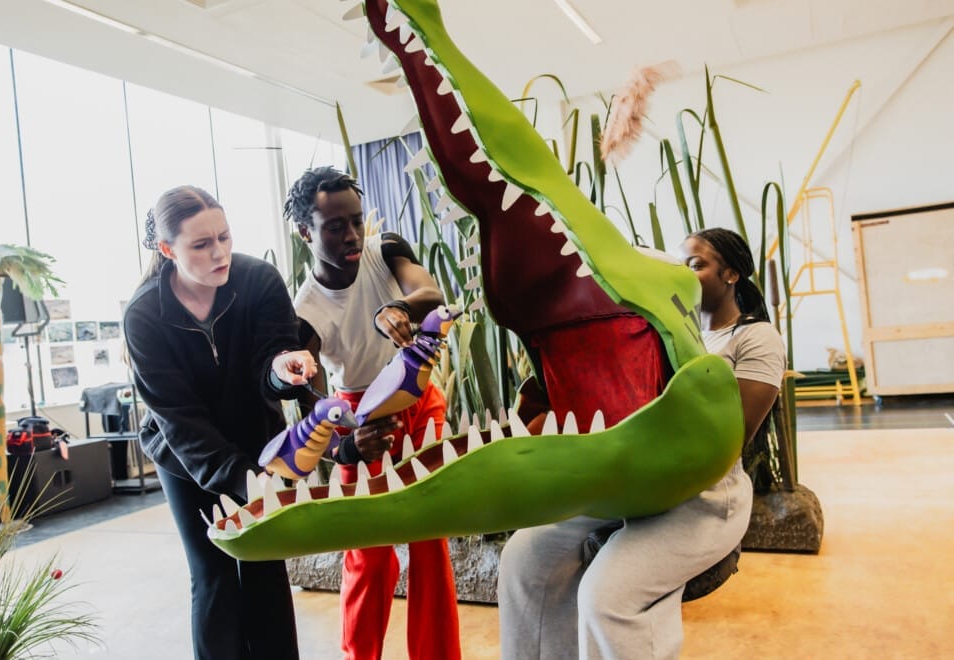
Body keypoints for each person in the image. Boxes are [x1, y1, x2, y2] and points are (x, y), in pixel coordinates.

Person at [497, 226, 785, 659]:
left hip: (702, 496)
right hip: (627, 481)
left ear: (731, 275)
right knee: (524, 559)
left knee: (607, 596)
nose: (685, 276)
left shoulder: (755, 338)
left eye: (696, 266)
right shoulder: (656, 330)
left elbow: (731, 437)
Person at [123, 185, 317, 660]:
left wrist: (280, 369)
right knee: (212, 572)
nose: (220, 252)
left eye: (225, 237)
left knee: (265, 566)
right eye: (202, 245)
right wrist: (246, 483)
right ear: (167, 250)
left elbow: (271, 360)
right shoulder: (144, 314)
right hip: (182, 453)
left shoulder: (259, 280)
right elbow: (180, 420)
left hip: (256, 437)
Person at [283, 166, 462, 660]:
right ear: (305, 233)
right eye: (335, 226)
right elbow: (312, 405)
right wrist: (346, 446)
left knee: (429, 539)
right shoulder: (307, 313)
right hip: (360, 414)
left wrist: (399, 307)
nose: (351, 235)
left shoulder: (385, 251)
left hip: (418, 397)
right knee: (368, 549)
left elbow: (430, 294)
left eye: (356, 221)